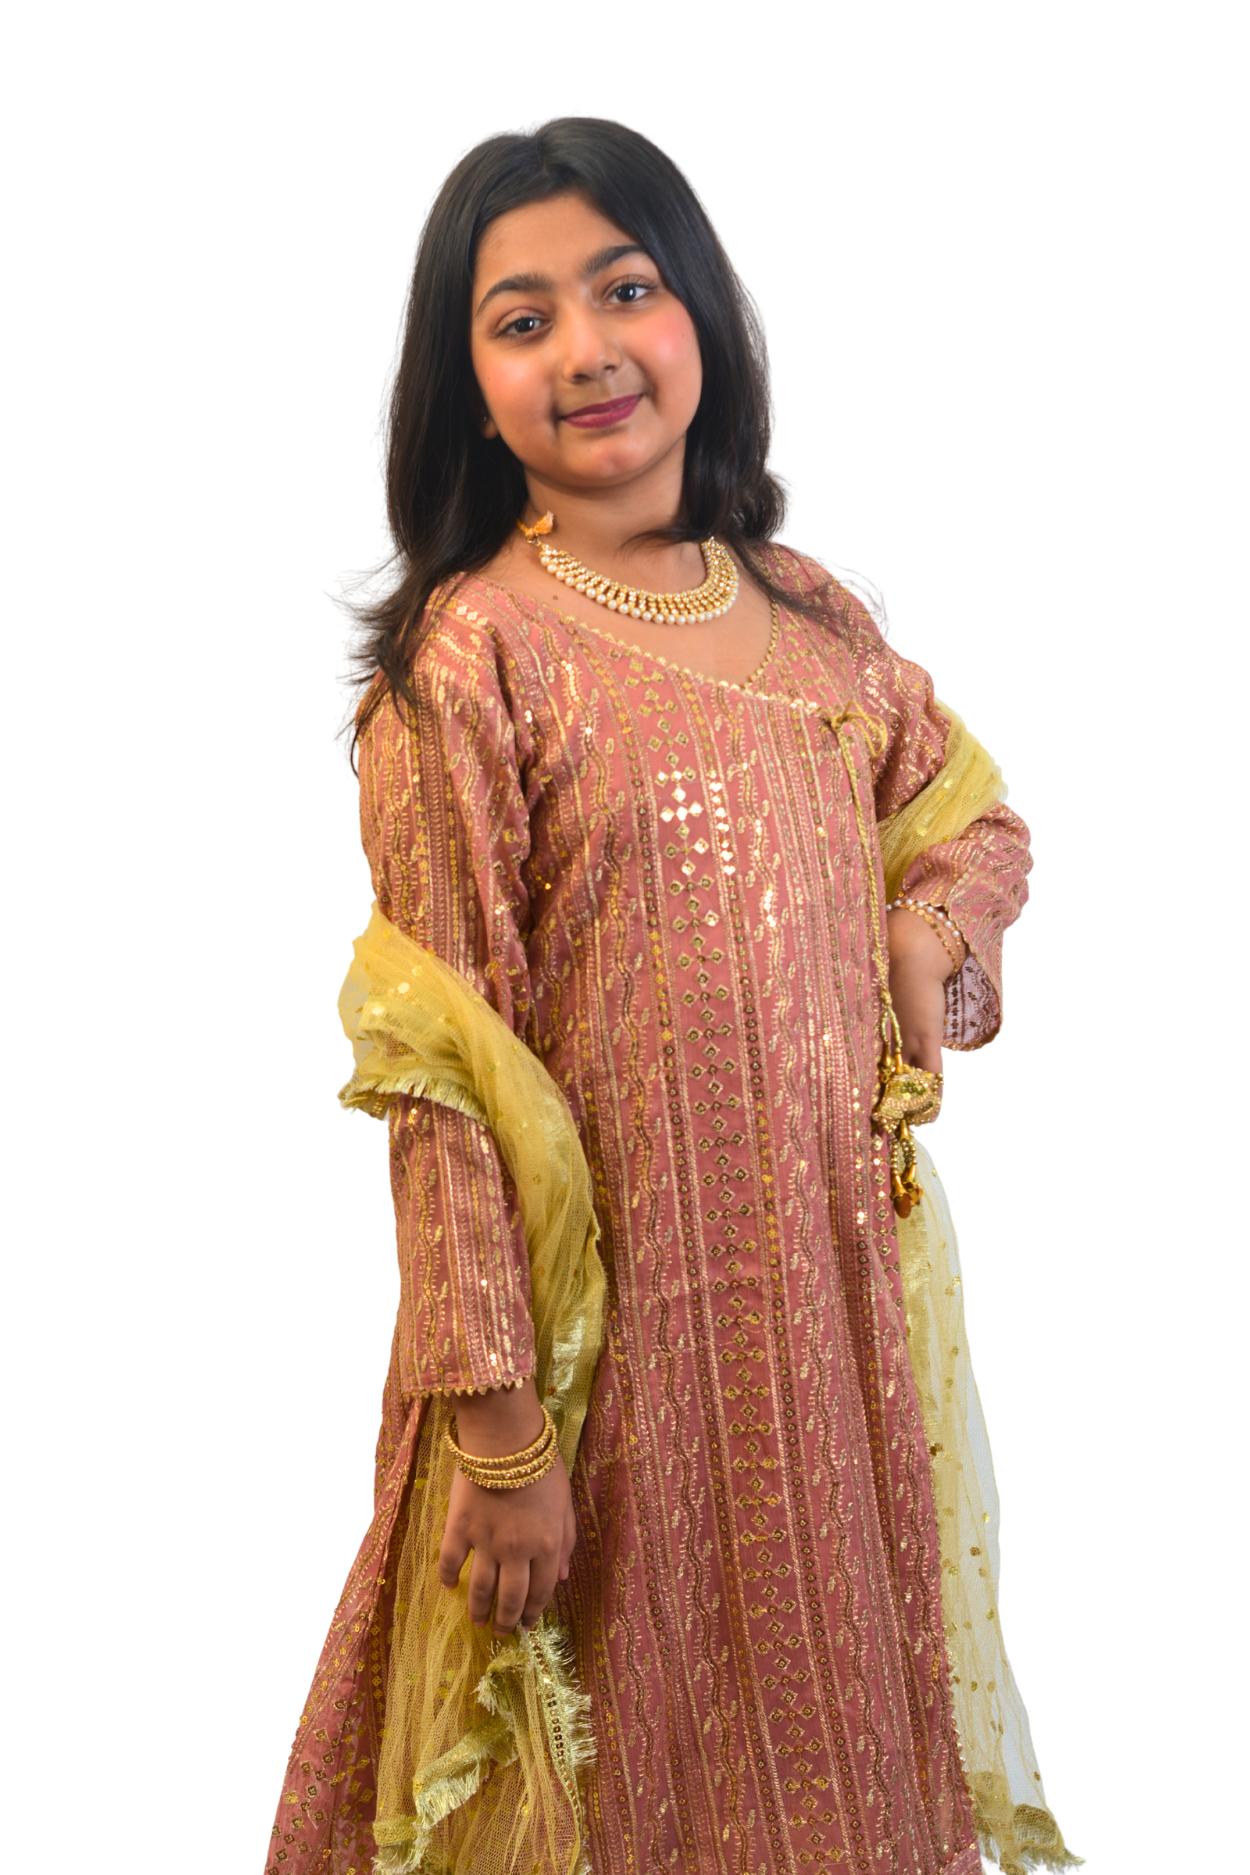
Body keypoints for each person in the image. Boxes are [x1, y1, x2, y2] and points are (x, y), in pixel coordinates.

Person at [267, 118, 1077, 1875]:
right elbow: (442, 1075)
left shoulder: (809, 616)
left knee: (830, 1773)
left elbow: (974, 822)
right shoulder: (469, 662)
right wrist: (497, 1430)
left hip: (823, 1341)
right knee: (611, 1777)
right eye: (522, 320)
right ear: (468, 392)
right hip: (597, 1371)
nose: (586, 348)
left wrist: (930, 928)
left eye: (624, 289)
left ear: (699, 311)